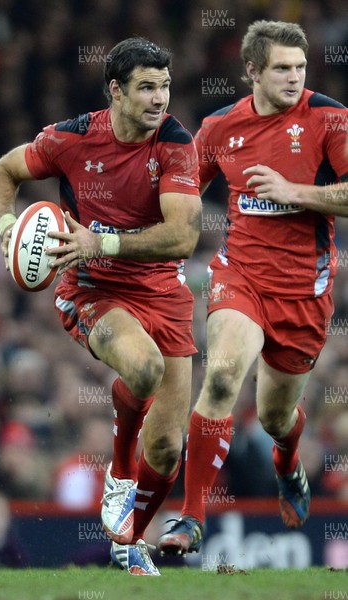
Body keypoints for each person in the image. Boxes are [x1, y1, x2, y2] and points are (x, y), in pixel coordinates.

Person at [0, 37, 201, 576]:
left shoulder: (175, 143)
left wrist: (101, 241)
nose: (159, 99)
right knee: (144, 367)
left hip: (164, 293)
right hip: (91, 289)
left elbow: (183, 238)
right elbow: (1, 174)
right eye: (147, 87)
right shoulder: (72, 138)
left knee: (170, 448)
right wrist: (12, 231)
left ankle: (128, 544)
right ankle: (119, 477)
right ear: (116, 91)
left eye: (165, 86)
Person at [159, 20, 348, 556]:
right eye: (281, 69)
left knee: (274, 417)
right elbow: (181, 194)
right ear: (252, 72)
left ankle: (287, 461)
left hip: (304, 293)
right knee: (219, 377)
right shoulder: (219, 128)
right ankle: (191, 518)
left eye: (300, 67)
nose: (294, 78)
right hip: (239, 275)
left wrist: (296, 191)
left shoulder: (330, 118)